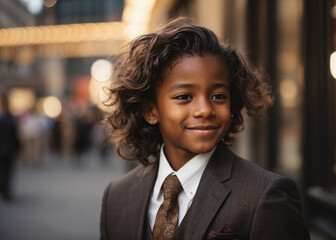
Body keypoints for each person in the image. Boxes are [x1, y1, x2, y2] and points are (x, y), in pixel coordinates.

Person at [100, 18, 310, 240]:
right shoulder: (117, 196)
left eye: (218, 96)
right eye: (184, 97)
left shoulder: (266, 195)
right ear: (150, 111)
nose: (205, 110)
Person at [0, 93, 19, 201]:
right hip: (9, 148)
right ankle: (5, 190)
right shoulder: (10, 117)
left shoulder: (8, 117)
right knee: (6, 170)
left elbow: (14, 134)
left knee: (6, 170)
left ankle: (5, 190)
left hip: (7, 148)